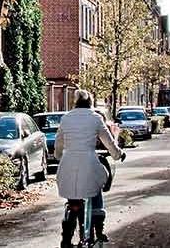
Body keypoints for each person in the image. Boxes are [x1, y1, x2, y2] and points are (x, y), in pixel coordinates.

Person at [53, 89, 124, 247]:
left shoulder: (66, 118)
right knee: (97, 186)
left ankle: (66, 237)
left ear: (75, 103)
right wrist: (118, 154)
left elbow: (59, 143)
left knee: (72, 196)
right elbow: (109, 142)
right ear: (90, 103)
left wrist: (59, 156)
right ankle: (99, 230)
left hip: (68, 164)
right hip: (89, 162)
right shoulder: (96, 118)